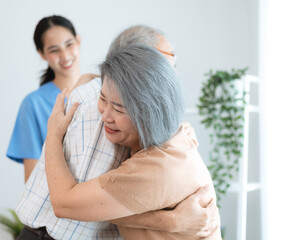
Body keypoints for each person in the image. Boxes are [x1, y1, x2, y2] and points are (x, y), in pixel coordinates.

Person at [15, 25, 219, 239]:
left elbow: (68, 205)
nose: (105, 115)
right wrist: (171, 220)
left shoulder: (156, 166)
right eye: (102, 99)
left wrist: (54, 132)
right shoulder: (175, 136)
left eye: (119, 108)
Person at [7, 15, 82, 182]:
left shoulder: (102, 92)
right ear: (42, 54)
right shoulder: (33, 104)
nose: (64, 55)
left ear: (78, 41)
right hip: (59, 204)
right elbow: (32, 181)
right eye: (54, 50)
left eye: (69, 44)